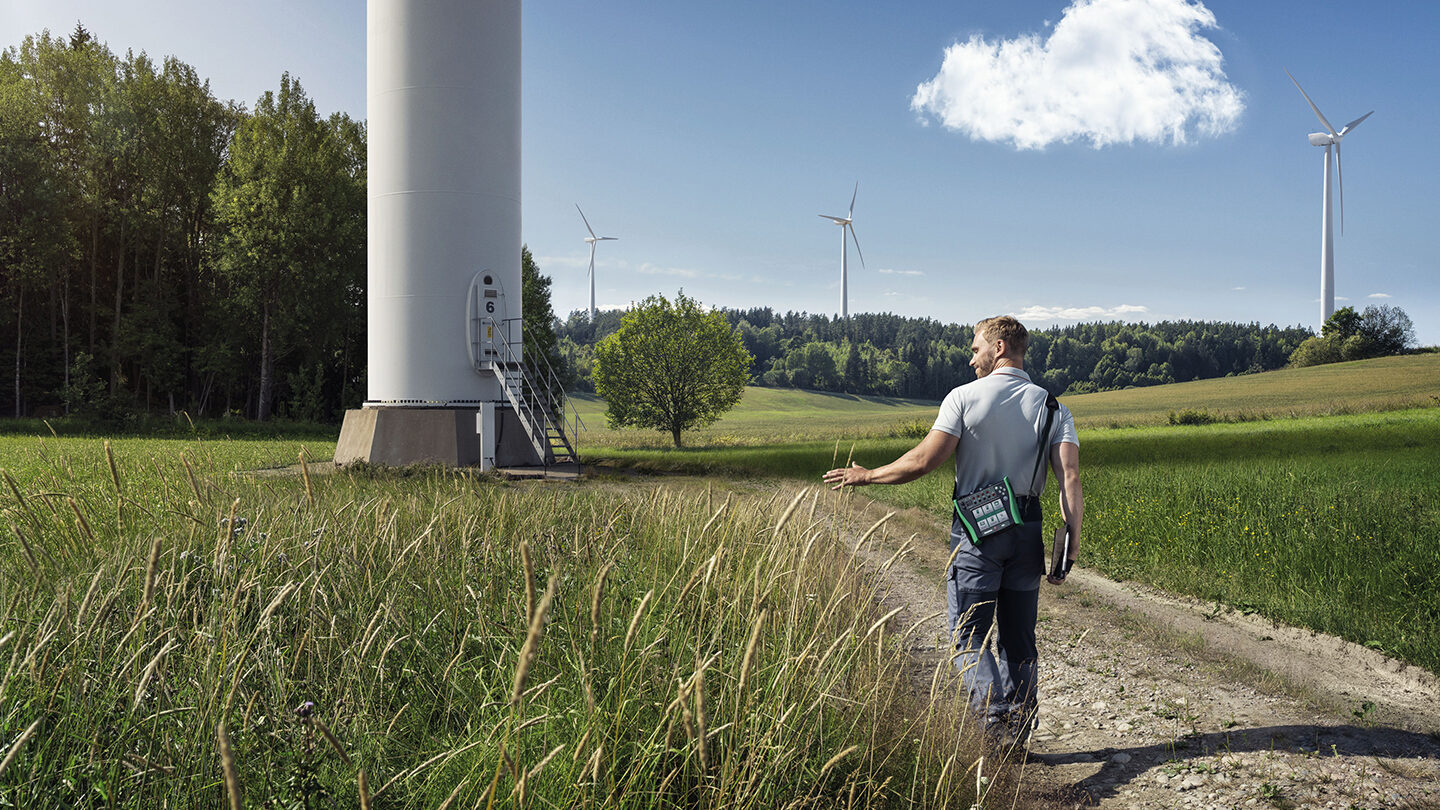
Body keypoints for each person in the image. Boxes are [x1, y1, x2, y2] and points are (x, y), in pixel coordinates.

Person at [822, 315, 1083, 747]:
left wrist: (866, 476)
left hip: (977, 534)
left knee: (968, 634)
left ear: (999, 347)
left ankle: (996, 720)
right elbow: (1069, 479)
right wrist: (1068, 548)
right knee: (1019, 637)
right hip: (1027, 534)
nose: (970, 356)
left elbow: (924, 461)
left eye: (975, 346)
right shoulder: (1054, 408)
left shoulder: (963, 398)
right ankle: (1018, 727)